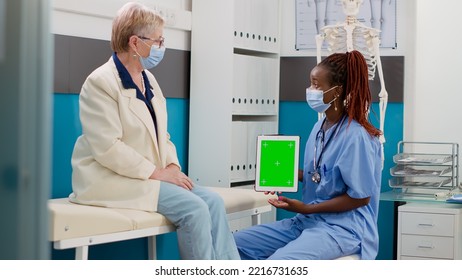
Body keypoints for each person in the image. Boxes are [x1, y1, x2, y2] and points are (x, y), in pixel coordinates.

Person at [69, 2, 239, 260]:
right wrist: (156, 173)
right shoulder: (100, 82)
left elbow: (163, 135)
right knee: (195, 209)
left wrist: (171, 166)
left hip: (149, 176)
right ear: (135, 43)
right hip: (110, 180)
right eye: (158, 41)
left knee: (213, 203)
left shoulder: (148, 79)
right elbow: (107, 147)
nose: (161, 46)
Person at [234, 50, 382, 260]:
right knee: (232, 244)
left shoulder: (356, 136)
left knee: (279, 263)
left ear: (336, 91)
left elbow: (361, 197)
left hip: (342, 229)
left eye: (316, 85)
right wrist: (287, 175)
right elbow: (321, 176)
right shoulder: (320, 127)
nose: (309, 90)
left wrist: (307, 208)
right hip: (307, 222)